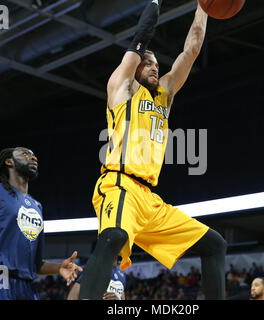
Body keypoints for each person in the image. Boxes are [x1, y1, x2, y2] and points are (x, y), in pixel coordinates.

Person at [78, 0, 227, 300]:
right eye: (148, 62)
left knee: (214, 244)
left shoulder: (165, 94)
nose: (155, 66)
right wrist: (155, 4)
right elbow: (139, 39)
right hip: (118, 184)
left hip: (150, 199)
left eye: (157, 63)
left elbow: (192, 50)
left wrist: (203, 7)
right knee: (114, 236)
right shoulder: (122, 88)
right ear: (135, 66)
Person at [0, 147, 81, 300]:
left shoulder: (37, 206)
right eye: (25, 154)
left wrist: (59, 267)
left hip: (27, 288)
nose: (33, 157)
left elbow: (36, 265)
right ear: (9, 162)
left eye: (34, 155)